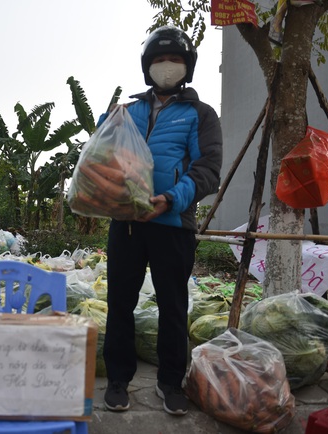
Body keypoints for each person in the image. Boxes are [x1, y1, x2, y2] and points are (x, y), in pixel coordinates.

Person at [101, 25, 223, 416]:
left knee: (173, 306)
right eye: (157, 61)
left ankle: (171, 382)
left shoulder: (200, 115)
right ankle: (118, 379)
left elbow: (207, 169)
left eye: (173, 60)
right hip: (128, 225)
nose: (165, 67)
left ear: (186, 67)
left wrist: (170, 198)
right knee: (120, 302)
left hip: (173, 225)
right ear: (146, 68)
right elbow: (105, 157)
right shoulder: (127, 111)